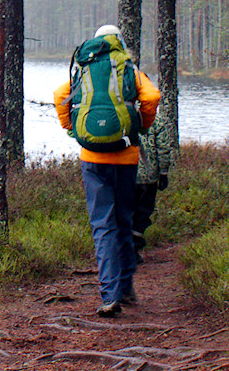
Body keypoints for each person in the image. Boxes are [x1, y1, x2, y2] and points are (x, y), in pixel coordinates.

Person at [54, 24, 161, 318]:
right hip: (126, 156)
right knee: (124, 221)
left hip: (92, 158)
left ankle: (109, 294)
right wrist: (143, 124)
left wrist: (71, 128)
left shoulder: (84, 68)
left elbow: (59, 95)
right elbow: (152, 97)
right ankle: (125, 287)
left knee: (103, 226)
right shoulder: (128, 68)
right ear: (118, 42)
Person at [132, 117, 173, 260]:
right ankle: (134, 248)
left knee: (124, 211)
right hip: (148, 177)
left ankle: (121, 249)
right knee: (142, 212)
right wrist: (163, 173)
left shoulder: (121, 114)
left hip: (123, 173)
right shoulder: (155, 119)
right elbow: (163, 148)